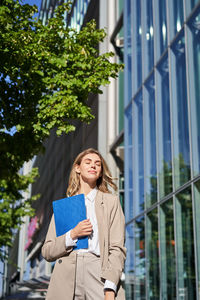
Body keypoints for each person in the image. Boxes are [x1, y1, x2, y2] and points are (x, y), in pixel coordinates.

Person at [42, 148, 126, 300]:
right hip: (66, 276)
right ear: (77, 168)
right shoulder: (65, 206)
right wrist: (72, 234)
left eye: (98, 164)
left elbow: (117, 248)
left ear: (100, 172)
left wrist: (110, 289)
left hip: (98, 272)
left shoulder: (111, 202)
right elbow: (47, 251)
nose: (93, 166)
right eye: (88, 162)